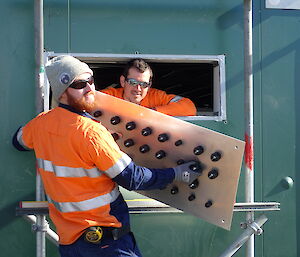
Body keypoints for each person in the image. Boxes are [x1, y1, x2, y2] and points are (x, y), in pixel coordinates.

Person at [12, 55, 201, 257]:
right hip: (107, 243)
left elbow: (18, 141)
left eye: (91, 81)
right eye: (79, 84)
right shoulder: (91, 133)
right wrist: (178, 173)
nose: (89, 89)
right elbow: (132, 178)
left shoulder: (40, 124)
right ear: (62, 92)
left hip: (70, 243)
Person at [101, 58, 197, 116]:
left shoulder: (156, 97)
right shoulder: (109, 96)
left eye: (144, 84)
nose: (138, 89)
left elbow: (189, 107)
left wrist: (152, 113)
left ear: (149, 85)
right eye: (133, 82)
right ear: (123, 81)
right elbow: (88, 102)